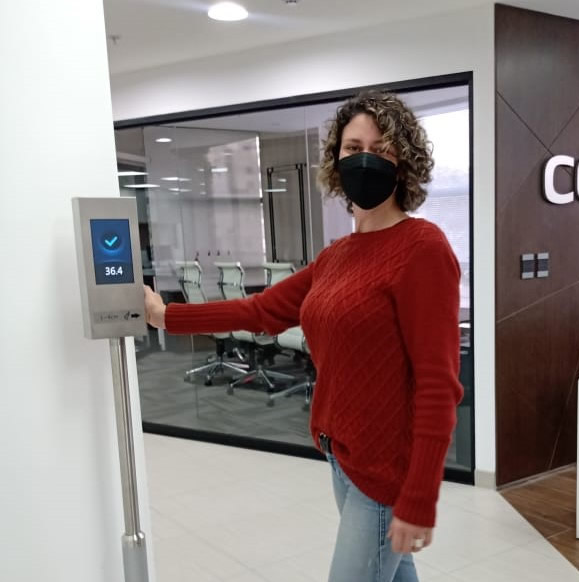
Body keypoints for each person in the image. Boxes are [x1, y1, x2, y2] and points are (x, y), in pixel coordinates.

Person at [144, 90, 463, 582]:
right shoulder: (337, 257)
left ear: (404, 163)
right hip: (343, 455)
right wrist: (168, 316)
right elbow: (261, 310)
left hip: (384, 471)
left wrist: (419, 495)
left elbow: (438, 385)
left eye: (380, 150)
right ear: (336, 160)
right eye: (353, 148)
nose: (364, 159)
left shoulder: (423, 249)